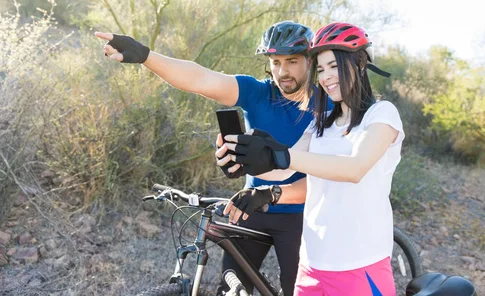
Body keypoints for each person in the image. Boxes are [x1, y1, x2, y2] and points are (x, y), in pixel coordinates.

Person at [95, 21, 317, 296]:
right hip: (249, 208)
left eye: (292, 61)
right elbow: (200, 78)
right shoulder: (258, 92)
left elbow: (331, 177)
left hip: (301, 217)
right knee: (232, 290)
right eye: (275, 62)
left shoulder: (327, 104)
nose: (282, 72)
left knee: (299, 291)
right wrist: (146, 56)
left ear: (310, 61)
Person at [216, 22, 402, 296]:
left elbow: (354, 169)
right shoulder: (321, 125)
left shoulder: (381, 115)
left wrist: (280, 155)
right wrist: (241, 155)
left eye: (334, 66)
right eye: (321, 68)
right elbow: (279, 170)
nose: (326, 77)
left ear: (360, 62)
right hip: (312, 266)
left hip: (360, 266)